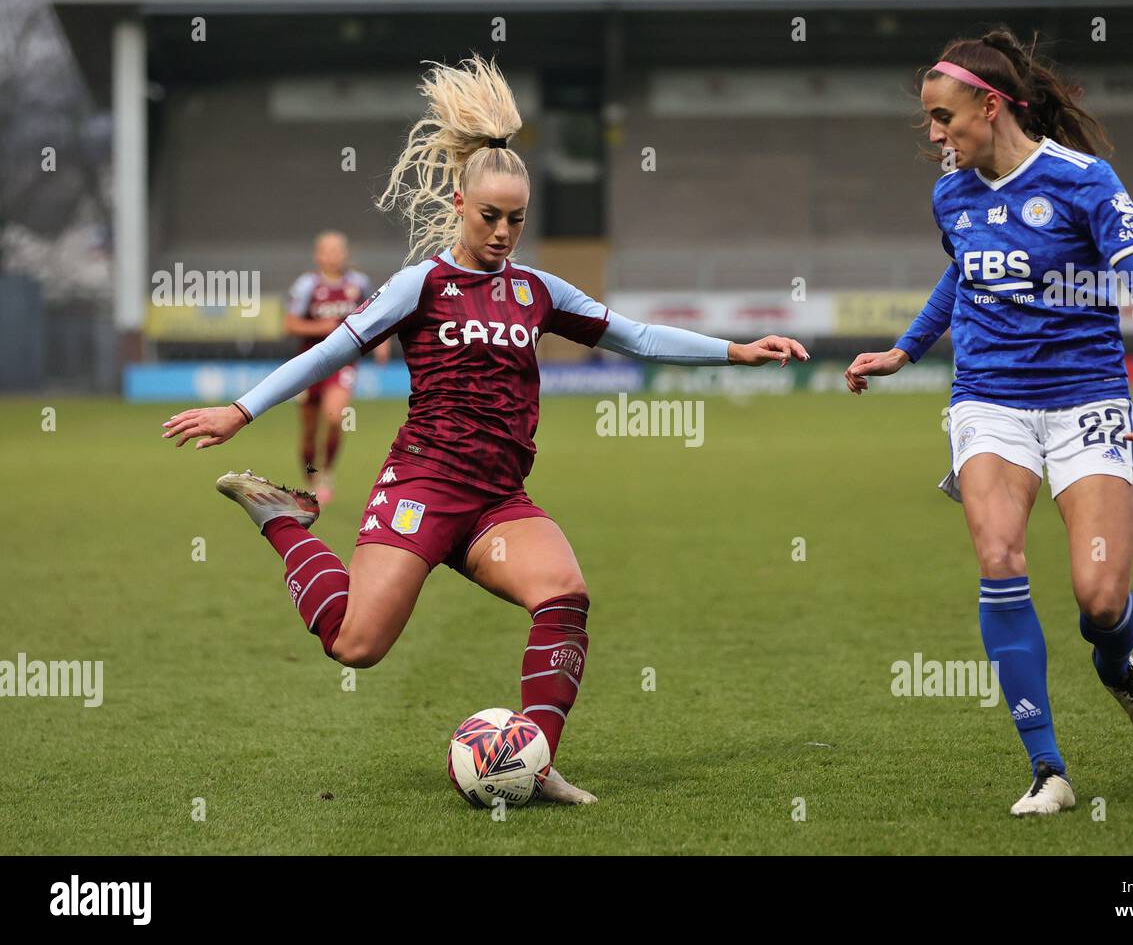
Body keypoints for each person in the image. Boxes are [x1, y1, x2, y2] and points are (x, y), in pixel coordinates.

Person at [162, 55, 808, 805]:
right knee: (357, 645)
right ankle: (282, 518)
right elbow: (335, 348)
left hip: (497, 500)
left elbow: (636, 337)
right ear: (461, 202)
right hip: (423, 489)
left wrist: (738, 351)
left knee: (565, 594)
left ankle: (533, 762)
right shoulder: (422, 284)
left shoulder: (538, 291)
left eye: (517, 220)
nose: (504, 233)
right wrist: (241, 410)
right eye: (490, 217)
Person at [844, 28, 1133, 816]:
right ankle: (1048, 770)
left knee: (1100, 600)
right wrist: (907, 349)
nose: (935, 136)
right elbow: (962, 274)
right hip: (990, 401)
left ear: (990, 104)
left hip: (1088, 401)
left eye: (943, 118)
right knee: (999, 556)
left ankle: (1116, 665)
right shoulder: (953, 193)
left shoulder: (1085, 181)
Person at [283, 231, 385, 503]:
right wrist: (320, 327)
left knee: (335, 416)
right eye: (327, 250)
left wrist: (383, 343)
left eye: (339, 250)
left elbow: (375, 316)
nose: (334, 255)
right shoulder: (307, 286)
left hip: (341, 363)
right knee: (308, 432)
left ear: (346, 254)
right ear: (318, 256)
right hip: (308, 364)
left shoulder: (359, 284)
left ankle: (326, 472)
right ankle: (311, 476)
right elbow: (290, 324)